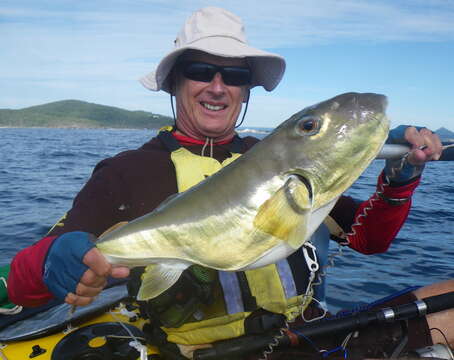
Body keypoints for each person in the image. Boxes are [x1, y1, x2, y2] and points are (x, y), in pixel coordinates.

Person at [6, 6, 450, 360]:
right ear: (174, 82)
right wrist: (52, 262)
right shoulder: (127, 171)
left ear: (247, 90)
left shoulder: (280, 159)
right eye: (201, 70)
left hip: (310, 337)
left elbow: (370, 240)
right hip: (195, 352)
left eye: (235, 76)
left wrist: (400, 177)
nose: (218, 87)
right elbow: (24, 285)